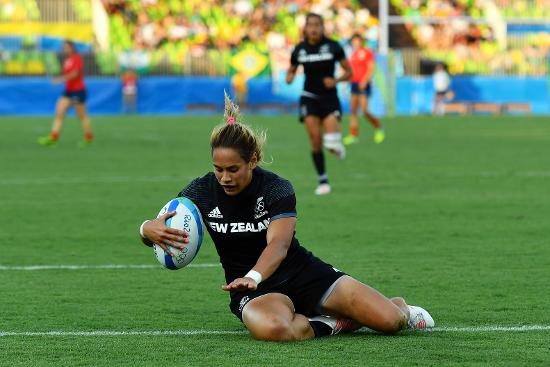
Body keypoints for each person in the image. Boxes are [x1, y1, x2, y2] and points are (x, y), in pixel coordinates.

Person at [138, 93, 435, 342]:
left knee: (391, 321)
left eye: (233, 169)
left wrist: (253, 276)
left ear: (252, 160)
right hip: (256, 292)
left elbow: (278, 246)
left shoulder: (276, 188)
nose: (224, 177)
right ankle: (336, 323)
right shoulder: (200, 191)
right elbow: (165, 228)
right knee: (278, 329)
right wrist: (146, 229)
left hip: (299, 272)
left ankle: (401, 307)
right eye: (218, 169)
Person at [286, 13, 352, 196]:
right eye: (310, 25)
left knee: (330, 143)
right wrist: (290, 76)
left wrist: (336, 80)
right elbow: (291, 70)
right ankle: (323, 180)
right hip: (309, 98)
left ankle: (335, 146)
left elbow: (349, 71)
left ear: (323, 27)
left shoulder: (333, 46)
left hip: (329, 98)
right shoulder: (299, 49)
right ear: (305, 28)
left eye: (317, 25)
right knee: (315, 140)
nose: (314, 28)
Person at [38, 40, 93, 147]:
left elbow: (76, 73)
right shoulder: (67, 60)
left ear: (72, 47)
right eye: (64, 47)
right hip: (68, 91)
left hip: (78, 90)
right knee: (59, 113)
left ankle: (88, 138)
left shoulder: (77, 58)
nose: (65, 48)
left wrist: (60, 79)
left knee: (81, 116)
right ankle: (53, 138)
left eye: (67, 47)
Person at [343, 33, 384, 145]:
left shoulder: (367, 52)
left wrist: (365, 80)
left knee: (365, 110)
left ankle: (379, 127)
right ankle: (353, 135)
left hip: (363, 84)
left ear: (361, 41)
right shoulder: (353, 54)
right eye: (354, 41)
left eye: (357, 41)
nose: (355, 43)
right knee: (353, 110)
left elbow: (371, 67)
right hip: (354, 83)